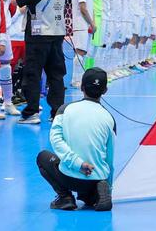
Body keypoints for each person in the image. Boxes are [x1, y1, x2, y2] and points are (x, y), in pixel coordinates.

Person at [37, 68, 116, 212]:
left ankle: (65, 197)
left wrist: (78, 164)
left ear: (81, 87)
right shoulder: (109, 118)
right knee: (96, 181)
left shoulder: (64, 109)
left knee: (42, 157)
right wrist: (108, 186)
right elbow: (110, 158)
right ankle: (96, 193)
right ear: (105, 90)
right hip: (96, 178)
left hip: (69, 177)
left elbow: (56, 140)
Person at [14, 0, 68, 125]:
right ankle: (57, 112)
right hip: (57, 36)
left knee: (32, 75)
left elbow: (18, 1)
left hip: (38, 38)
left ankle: (32, 112)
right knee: (56, 76)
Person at [69, 0, 96, 88]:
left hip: (87, 25)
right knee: (80, 52)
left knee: (84, 53)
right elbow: (83, 8)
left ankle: (80, 78)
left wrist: (92, 23)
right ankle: (75, 80)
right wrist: (91, 23)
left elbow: (90, 8)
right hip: (81, 25)